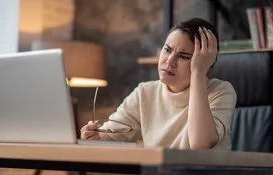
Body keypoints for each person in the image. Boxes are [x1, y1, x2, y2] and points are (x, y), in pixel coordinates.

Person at [80, 18, 237, 150]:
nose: (169, 61)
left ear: (204, 62)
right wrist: (93, 135)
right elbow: (107, 137)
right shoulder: (145, 93)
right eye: (167, 50)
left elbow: (200, 143)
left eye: (183, 56)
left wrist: (198, 73)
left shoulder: (221, 92)